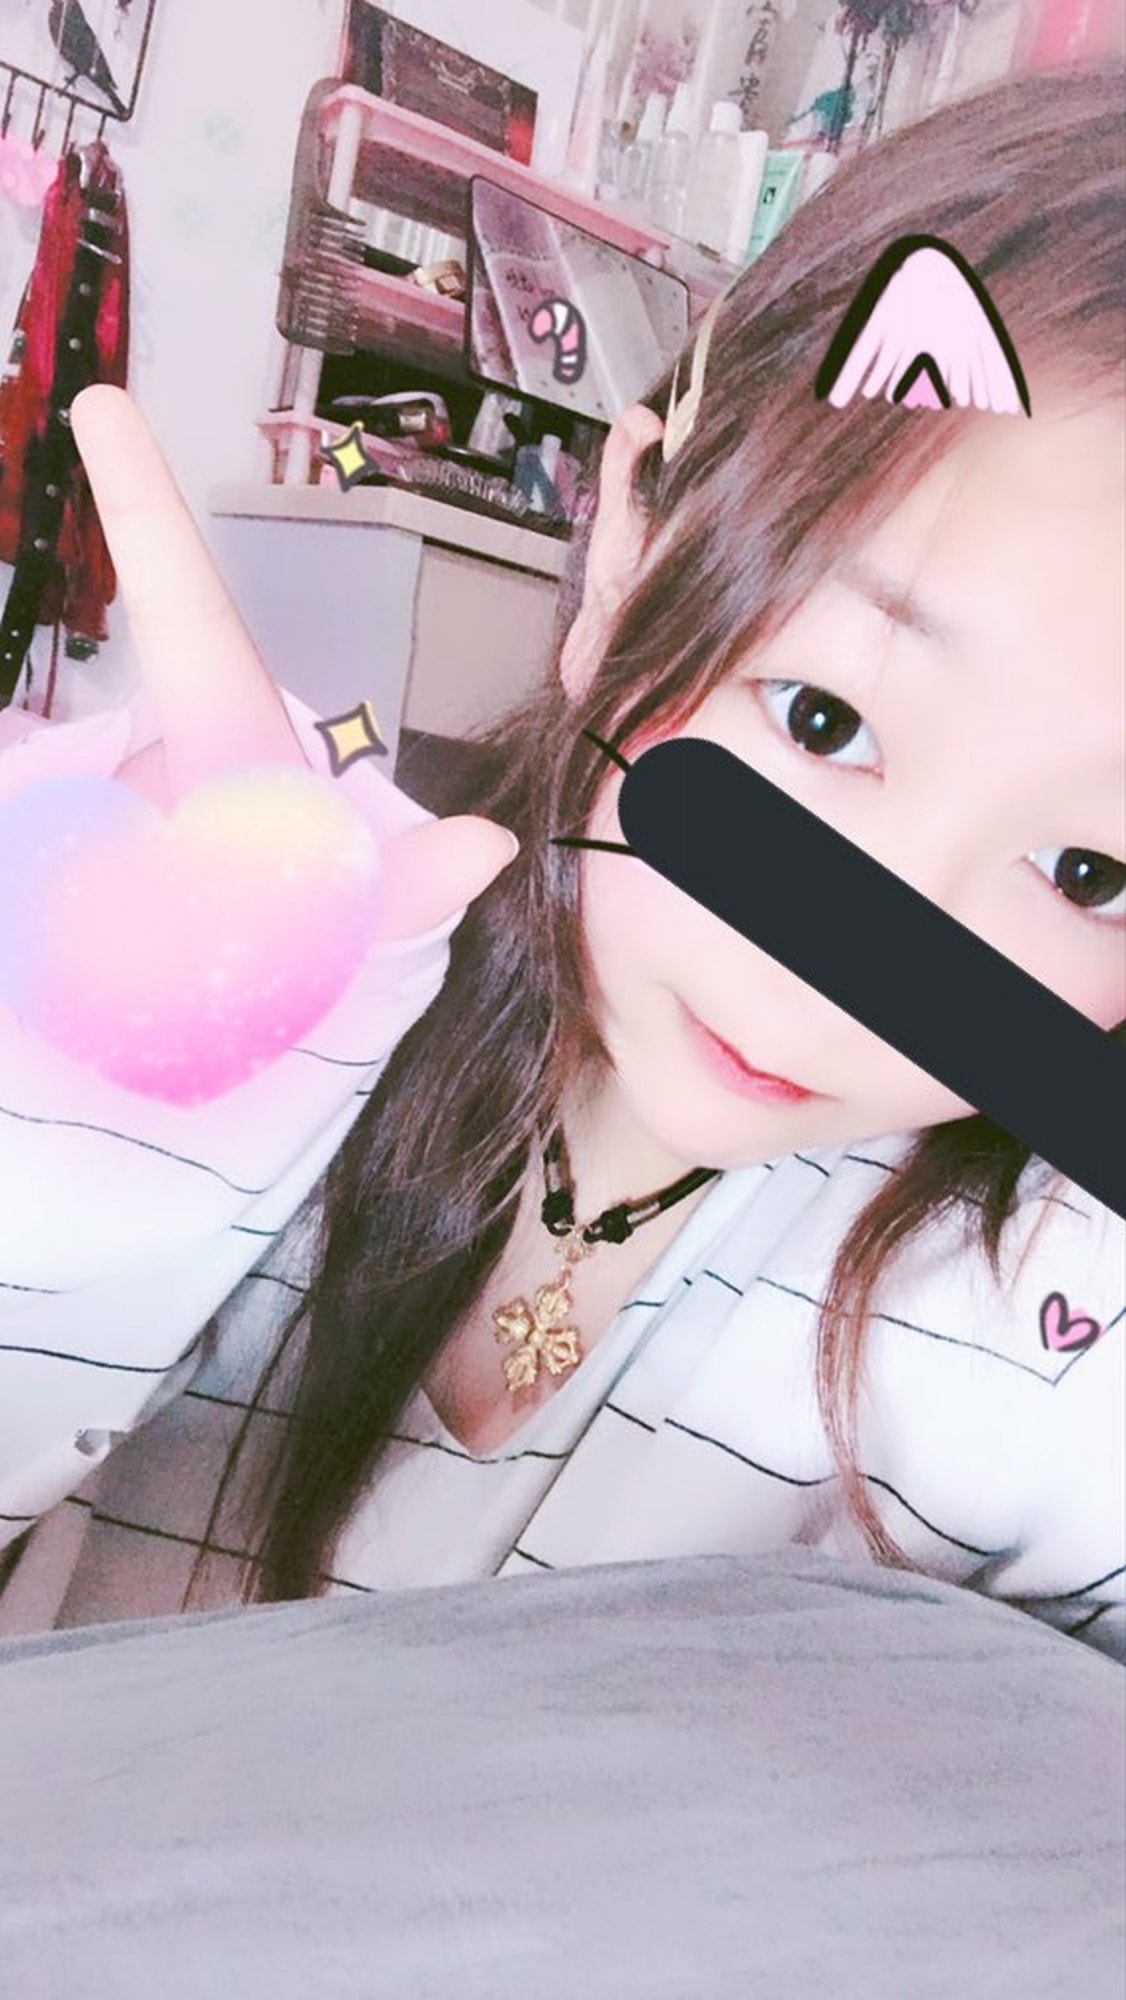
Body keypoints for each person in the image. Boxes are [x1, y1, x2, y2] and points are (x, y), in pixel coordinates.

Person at [0, 64, 1122, 1651]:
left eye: (1088, 875)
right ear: (629, 547)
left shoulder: (1048, 1327)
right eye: (821, 720)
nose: (841, 987)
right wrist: (100, 1124)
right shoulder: (285, 953)